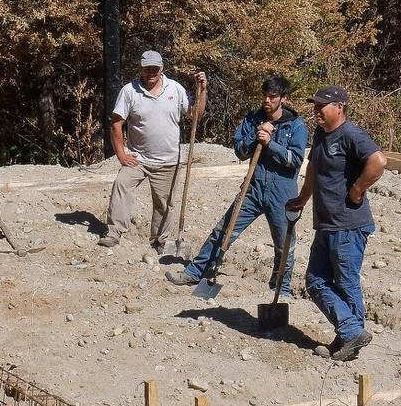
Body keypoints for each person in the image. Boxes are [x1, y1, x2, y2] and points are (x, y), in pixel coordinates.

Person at [166, 75, 308, 294]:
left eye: (272, 96)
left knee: (284, 244)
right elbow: (240, 151)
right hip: (253, 187)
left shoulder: (296, 125)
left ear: (283, 98)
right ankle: (195, 272)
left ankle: (281, 290)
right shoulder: (253, 119)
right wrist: (256, 136)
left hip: (282, 192)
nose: (267, 100)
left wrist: (270, 143)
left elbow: (295, 160)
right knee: (223, 231)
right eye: (265, 95)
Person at [286, 86, 386, 362]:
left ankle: (350, 336)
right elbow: (313, 169)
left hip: (348, 224)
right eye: (315, 106)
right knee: (316, 280)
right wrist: (302, 199)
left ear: (339, 107)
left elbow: (378, 161)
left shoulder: (351, 134)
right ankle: (350, 334)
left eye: (322, 106)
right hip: (327, 223)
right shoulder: (321, 134)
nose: (316, 111)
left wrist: (357, 189)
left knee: (344, 283)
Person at [99, 50, 207, 251]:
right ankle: (114, 232)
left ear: (161, 68)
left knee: (163, 204)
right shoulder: (129, 91)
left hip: (168, 160)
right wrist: (121, 154)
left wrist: (202, 90)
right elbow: (116, 124)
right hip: (138, 158)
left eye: (154, 68)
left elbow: (194, 115)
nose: (151, 72)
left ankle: (159, 241)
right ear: (141, 69)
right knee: (121, 184)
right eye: (147, 68)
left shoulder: (175, 89)